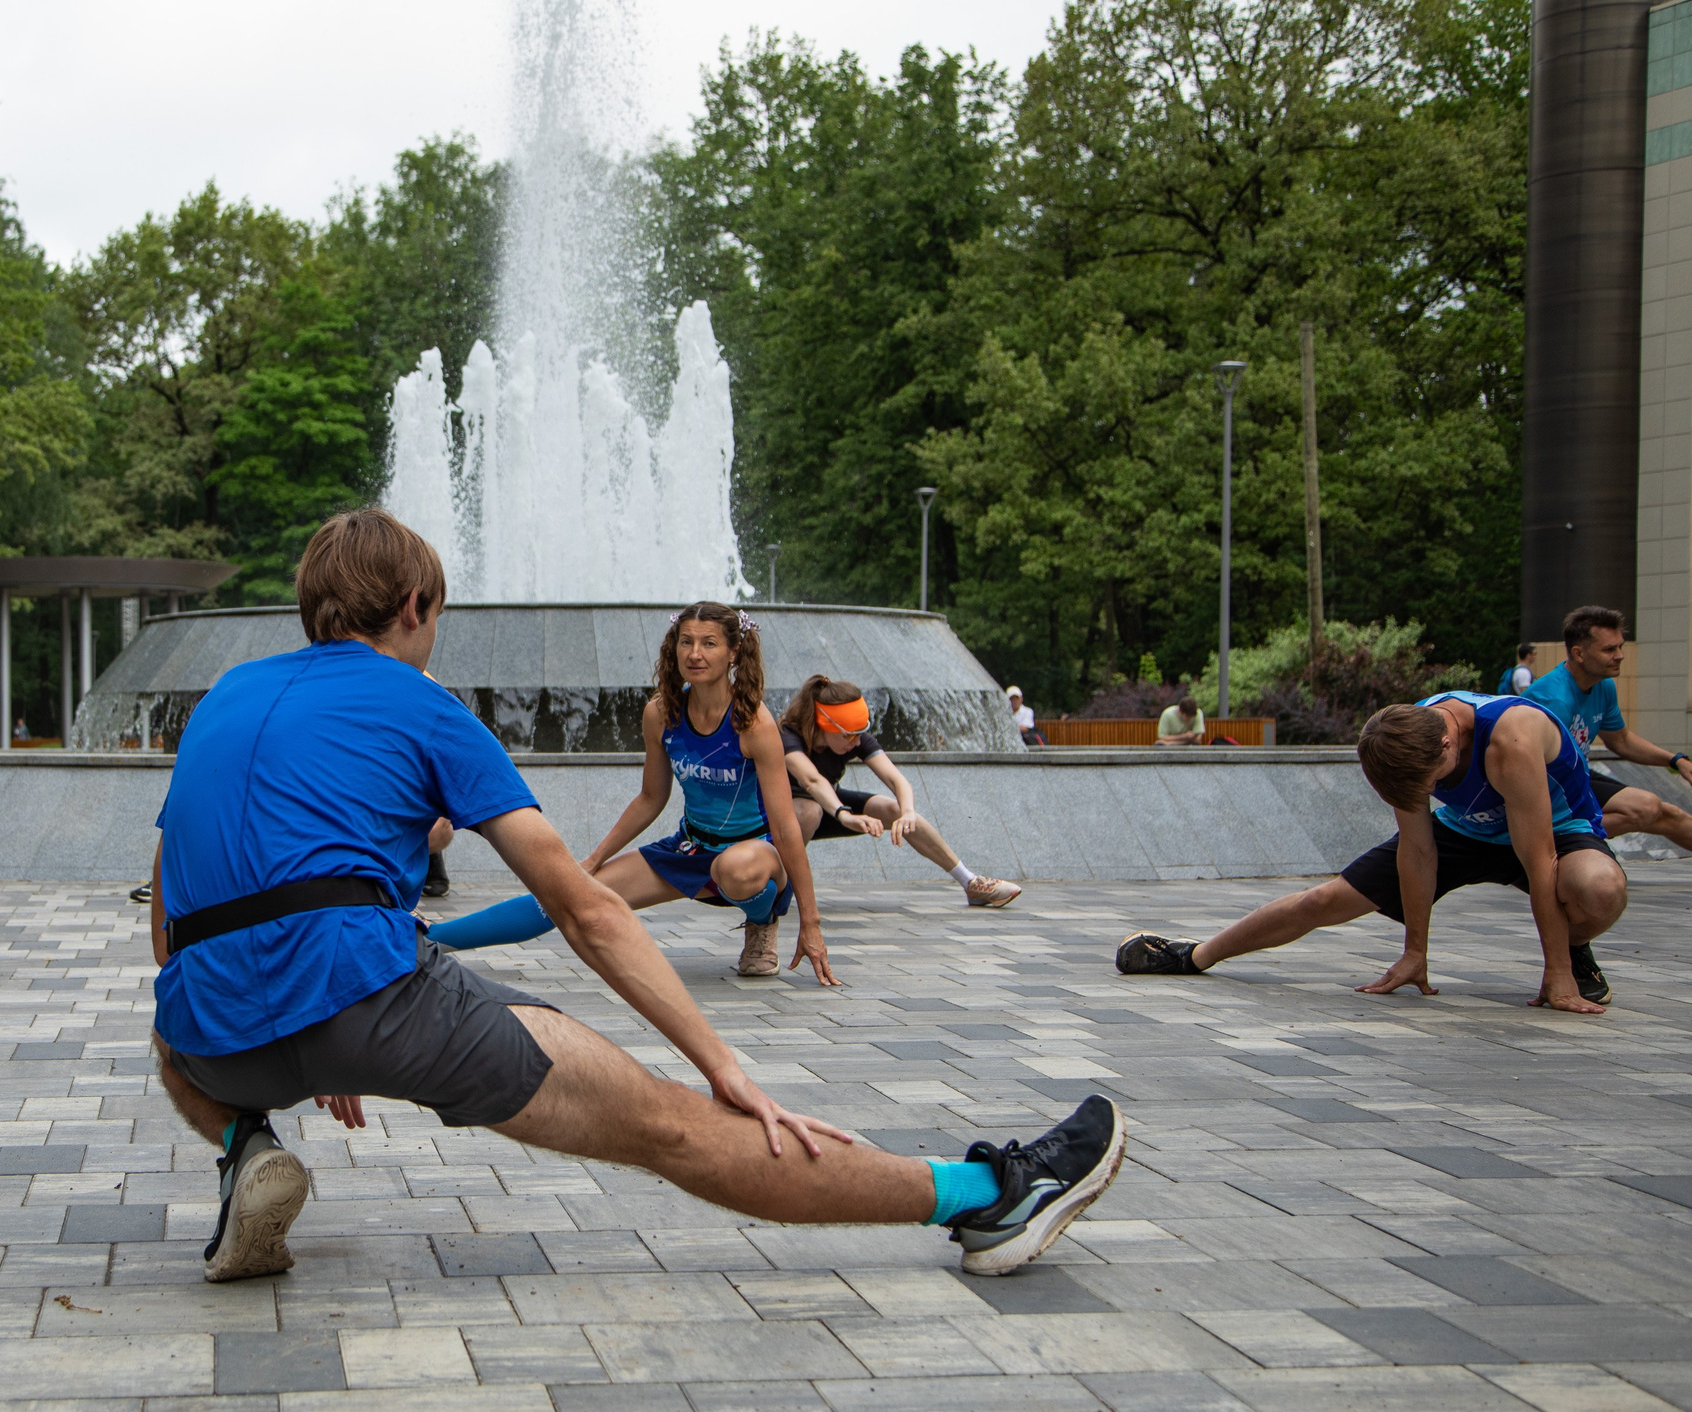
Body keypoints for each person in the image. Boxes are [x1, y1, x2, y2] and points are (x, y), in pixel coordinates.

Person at [148, 507, 1125, 1284]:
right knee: (672, 1127)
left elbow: (169, 911)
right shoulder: (425, 708)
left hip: (212, 1028)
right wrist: (720, 1065)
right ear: (413, 604)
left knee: (171, 1035)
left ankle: (245, 1147)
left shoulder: (224, 697)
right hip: (377, 999)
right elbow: (585, 909)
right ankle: (990, 1195)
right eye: (436, 616)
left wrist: (283, 1008)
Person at [1116, 690, 1625, 1011]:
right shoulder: (1403, 739)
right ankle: (1192, 957)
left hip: (1553, 831)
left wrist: (1555, 974)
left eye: (1427, 785)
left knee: (1598, 890)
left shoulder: (1510, 739)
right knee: (1321, 901)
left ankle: (1572, 956)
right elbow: (1419, 851)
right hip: (1465, 832)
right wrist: (1415, 953)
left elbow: (1540, 863)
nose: (1421, 794)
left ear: (1448, 748)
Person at [423, 601, 834, 981]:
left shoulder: (752, 723)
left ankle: (762, 922)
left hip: (755, 856)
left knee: (735, 868)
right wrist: (592, 861)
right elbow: (651, 798)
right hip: (692, 848)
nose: (695, 654)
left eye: (709, 644)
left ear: (734, 651)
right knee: (570, 893)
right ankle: (427, 938)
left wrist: (811, 923)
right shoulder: (661, 713)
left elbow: (784, 826)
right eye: (686, 642)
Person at [780, 677, 1022, 910]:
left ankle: (970, 882)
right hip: (777, 817)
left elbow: (896, 779)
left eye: (859, 735)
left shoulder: (853, 738)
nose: (855, 743)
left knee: (894, 810)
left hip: (829, 809)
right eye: (848, 736)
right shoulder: (788, 735)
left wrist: (907, 813)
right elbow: (811, 781)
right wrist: (844, 815)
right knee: (808, 810)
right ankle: (777, 886)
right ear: (824, 725)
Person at [1524, 605, 1692, 855]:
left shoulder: (1603, 686)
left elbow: (1621, 741)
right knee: (1644, 808)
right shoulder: (1554, 700)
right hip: (1542, 782)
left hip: (1572, 774)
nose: (1620, 655)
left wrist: (1675, 760)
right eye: (1609, 649)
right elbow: (1530, 770)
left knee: (1663, 813)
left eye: (1620, 646)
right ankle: (1545, 839)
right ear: (1578, 653)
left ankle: (1562, 833)